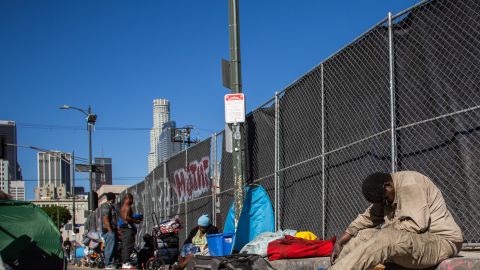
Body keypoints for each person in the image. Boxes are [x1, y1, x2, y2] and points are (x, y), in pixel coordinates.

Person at [329, 171, 463, 270]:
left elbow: (416, 226)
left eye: (385, 199)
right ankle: (335, 266)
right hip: (415, 242)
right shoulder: (386, 190)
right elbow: (366, 218)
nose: (385, 203)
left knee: (385, 237)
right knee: (363, 235)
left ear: (388, 185)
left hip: (441, 243)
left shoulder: (411, 185)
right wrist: (340, 242)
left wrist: (380, 236)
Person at [119, 193, 142, 269]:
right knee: (128, 245)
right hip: (127, 228)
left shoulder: (123, 207)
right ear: (127, 199)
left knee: (125, 245)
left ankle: (125, 262)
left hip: (124, 228)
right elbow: (126, 217)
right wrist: (136, 221)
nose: (132, 201)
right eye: (131, 199)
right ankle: (126, 262)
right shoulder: (127, 207)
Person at [101, 192, 118, 269]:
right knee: (109, 247)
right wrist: (110, 230)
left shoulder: (111, 207)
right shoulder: (105, 206)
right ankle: (108, 264)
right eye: (114, 198)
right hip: (108, 231)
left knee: (113, 247)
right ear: (112, 199)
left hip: (113, 230)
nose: (115, 199)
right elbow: (105, 219)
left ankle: (112, 263)